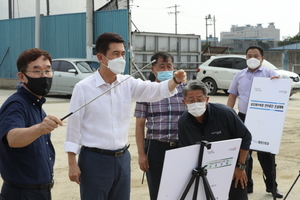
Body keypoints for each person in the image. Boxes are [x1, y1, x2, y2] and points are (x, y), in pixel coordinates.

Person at [64, 32, 186, 200]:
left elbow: (155, 91)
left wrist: (175, 81)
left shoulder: (127, 82)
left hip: (122, 158)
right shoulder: (83, 88)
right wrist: (72, 162)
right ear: (101, 57)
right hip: (94, 159)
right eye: (115, 54)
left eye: (123, 54)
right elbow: (73, 127)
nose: (121, 58)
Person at [0, 48, 63, 200]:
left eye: (48, 71)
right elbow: (13, 138)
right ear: (22, 76)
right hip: (21, 193)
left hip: (39, 192)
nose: (44, 76)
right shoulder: (17, 104)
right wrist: (40, 128)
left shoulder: (36, 104)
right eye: (37, 71)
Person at [178, 79, 252, 200]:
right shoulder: (183, 122)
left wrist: (240, 166)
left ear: (207, 99)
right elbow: (185, 151)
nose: (195, 103)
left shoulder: (225, 113)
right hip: (205, 168)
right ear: (184, 102)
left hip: (235, 165)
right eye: (191, 100)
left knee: (237, 197)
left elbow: (246, 137)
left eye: (200, 99)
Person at [227, 45, 283, 198]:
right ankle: (247, 185)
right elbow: (232, 95)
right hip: (243, 118)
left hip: (264, 119)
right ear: (245, 58)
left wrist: (277, 84)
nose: (252, 58)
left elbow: (279, 93)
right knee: (244, 154)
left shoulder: (270, 73)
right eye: (249, 55)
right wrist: (228, 114)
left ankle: (272, 187)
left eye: (256, 56)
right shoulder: (239, 75)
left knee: (267, 155)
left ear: (262, 58)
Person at [134, 51, 187, 200]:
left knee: (181, 189)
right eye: (161, 66)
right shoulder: (146, 92)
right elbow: (139, 126)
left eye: (168, 66)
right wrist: (141, 154)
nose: (165, 70)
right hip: (155, 148)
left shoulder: (184, 90)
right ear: (153, 69)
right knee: (158, 191)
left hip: (180, 146)